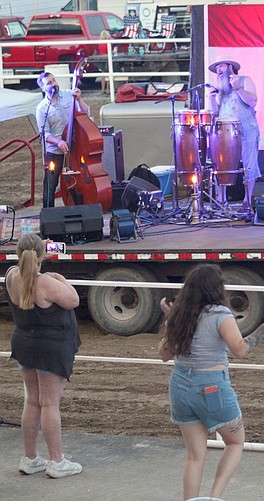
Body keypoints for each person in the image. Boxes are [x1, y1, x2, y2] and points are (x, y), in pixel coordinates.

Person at [158, 264, 264, 500]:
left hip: (179, 384)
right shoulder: (220, 314)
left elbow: (164, 354)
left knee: (194, 455)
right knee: (235, 442)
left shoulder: (178, 316)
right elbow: (241, 350)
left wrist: (170, 321)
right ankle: (214, 497)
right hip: (212, 385)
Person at [6, 233, 82, 478]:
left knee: (32, 401)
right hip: (49, 348)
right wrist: (59, 277)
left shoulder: (11, 276)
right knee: (50, 403)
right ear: (42, 255)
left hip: (24, 344)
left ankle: (30, 458)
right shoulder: (46, 283)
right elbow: (73, 300)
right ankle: (57, 462)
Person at [208, 58, 261, 211]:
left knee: (249, 164)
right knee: (222, 164)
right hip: (225, 131)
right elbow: (216, 112)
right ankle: (221, 199)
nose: (218, 70)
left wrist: (238, 88)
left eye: (221, 66)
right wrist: (212, 100)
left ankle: (247, 201)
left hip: (246, 129)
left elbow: (253, 101)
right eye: (217, 67)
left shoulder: (245, 81)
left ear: (230, 67)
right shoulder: (221, 89)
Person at [35, 71, 91, 208]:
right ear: (43, 88)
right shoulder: (42, 108)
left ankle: (82, 208)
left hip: (75, 147)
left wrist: (79, 100)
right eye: (49, 83)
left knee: (80, 180)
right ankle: (49, 214)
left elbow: (86, 113)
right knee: (50, 184)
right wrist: (59, 142)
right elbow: (45, 134)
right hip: (55, 150)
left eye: (54, 80)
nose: (54, 84)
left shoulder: (68, 95)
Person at [98, 30, 112, 95]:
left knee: (103, 76)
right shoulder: (108, 43)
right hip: (107, 60)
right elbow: (110, 52)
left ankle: (102, 90)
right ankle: (108, 89)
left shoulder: (100, 44)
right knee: (109, 75)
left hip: (102, 60)